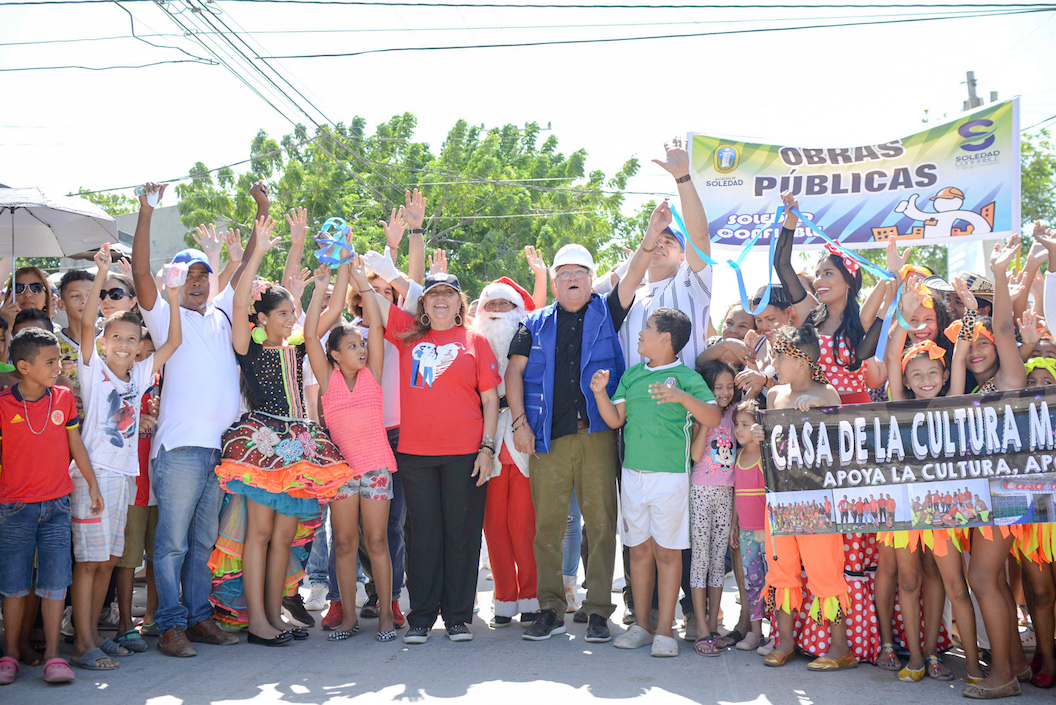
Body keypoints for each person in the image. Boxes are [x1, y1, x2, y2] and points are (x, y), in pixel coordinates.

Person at [507, 200, 669, 644]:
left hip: (597, 434)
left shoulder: (607, 310)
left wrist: (651, 234)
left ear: (590, 278)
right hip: (548, 438)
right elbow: (514, 373)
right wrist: (519, 423)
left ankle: (598, 609)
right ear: (554, 281)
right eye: (564, 273)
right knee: (548, 528)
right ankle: (550, 608)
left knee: (601, 525)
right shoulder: (533, 322)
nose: (572, 279)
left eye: (580, 272)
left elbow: (635, 273)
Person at [211, 217, 352, 646]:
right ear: (263, 317)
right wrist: (256, 253)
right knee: (259, 532)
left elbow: (334, 306)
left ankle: (274, 614)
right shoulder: (247, 347)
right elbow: (238, 301)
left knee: (285, 536)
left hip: (300, 444)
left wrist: (342, 257)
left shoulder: (298, 344)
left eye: (294, 312)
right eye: (284, 313)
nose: (292, 318)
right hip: (262, 443)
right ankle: (256, 620)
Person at [132, 181, 258, 657]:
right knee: (171, 545)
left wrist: (260, 212)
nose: (199, 281)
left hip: (221, 450)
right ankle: (170, 626)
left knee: (203, 541)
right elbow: (141, 270)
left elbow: (243, 268)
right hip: (181, 450)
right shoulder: (165, 315)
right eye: (189, 275)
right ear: (175, 282)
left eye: (204, 275)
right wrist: (146, 209)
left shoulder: (223, 314)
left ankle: (199, 618)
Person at [360, 268, 500, 644]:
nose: (441, 299)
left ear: (459, 303)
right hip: (415, 454)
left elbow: (490, 399)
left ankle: (457, 617)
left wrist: (487, 449)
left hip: (465, 454)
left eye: (448, 294)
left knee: (461, 535)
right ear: (423, 303)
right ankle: (421, 616)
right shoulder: (408, 333)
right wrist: (353, 268)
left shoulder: (476, 341)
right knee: (422, 536)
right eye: (433, 294)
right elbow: (371, 298)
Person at [68, 244, 183, 670]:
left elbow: (174, 340)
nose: (124, 345)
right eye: (116, 337)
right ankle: (83, 643)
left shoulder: (138, 372)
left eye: (132, 340)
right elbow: (83, 326)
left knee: (108, 561)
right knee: (90, 562)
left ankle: (92, 638)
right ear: (103, 341)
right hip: (94, 475)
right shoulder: (92, 369)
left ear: (139, 349)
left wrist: (170, 294)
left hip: (125, 476)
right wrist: (100, 276)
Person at [593, 307, 718, 658]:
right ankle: (643, 627)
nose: (640, 333)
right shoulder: (632, 376)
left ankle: (666, 629)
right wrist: (601, 393)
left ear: (666, 338)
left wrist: (681, 397)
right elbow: (616, 420)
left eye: (647, 328)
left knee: (667, 552)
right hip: (633, 476)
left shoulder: (687, 377)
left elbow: (712, 415)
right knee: (639, 551)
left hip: (671, 479)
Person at [0, 328, 102, 685]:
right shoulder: (3, 404)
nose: (59, 365)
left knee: (55, 583)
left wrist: (91, 482)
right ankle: (10, 654)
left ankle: (54, 655)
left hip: (57, 504)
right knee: (14, 585)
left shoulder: (63, 398)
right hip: (14, 507)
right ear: (24, 366)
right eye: (50, 361)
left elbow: (75, 444)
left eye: (59, 358)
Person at [305, 260, 399, 642]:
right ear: (335, 356)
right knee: (344, 543)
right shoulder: (327, 380)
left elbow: (377, 325)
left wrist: (360, 281)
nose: (362, 349)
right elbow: (311, 335)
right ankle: (346, 618)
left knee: (377, 542)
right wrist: (323, 285)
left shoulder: (372, 375)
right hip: (341, 473)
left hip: (376, 467)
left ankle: (388, 618)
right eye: (352, 346)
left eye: (361, 345)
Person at [759, 324, 852, 671]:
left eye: (779, 355)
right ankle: (785, 641)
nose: (774, 361)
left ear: (799, 360)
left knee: (825, 572)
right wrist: (759, 434)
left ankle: (840, 646)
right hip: (780, 498)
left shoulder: (828, 394)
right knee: (781, 571)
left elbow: (845, 444)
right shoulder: (773, 395)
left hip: (816, 500)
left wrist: (823, 413)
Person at [476, 277, 541, 627]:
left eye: (505, 305)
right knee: (494, 526)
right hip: (483, 443)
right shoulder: (472, 343)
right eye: (491, 305)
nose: (498, 312)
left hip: (522, 439)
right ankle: (504, 597)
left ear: (518, 310)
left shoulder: (533, 337)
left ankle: (530, 595)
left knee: (523, 524)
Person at [114, 329, 161, 652]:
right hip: (132, 487)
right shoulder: (121, 390)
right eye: (137, 355)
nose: (141, 361)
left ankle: (153, 616)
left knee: (158, 555)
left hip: (161, 486)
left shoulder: (164, 391)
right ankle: (124, 623)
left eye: (147, 356)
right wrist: (139, 417)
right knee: (128, 560)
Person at [688, 360, 739, 654]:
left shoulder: (735, 415)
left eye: (729, 387)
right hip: (701, 491)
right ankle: (702, 629)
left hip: (726, 493)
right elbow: (696, 457)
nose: (725, 392)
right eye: (718, 387)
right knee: (701, 560)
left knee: (719, 560)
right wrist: (705, 423)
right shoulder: (702, 416)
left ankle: (714, 624)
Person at [730, 399, 768, 651]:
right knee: (752, 581)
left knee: (773, 581)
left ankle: (777, 631)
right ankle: (756, 633)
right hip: (745, 532)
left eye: (745, 424)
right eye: (736, 425)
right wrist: (734, 525)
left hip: (767, 532)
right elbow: (736, 494)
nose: (739, 430)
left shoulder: (766, 455)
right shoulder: (740, 454)